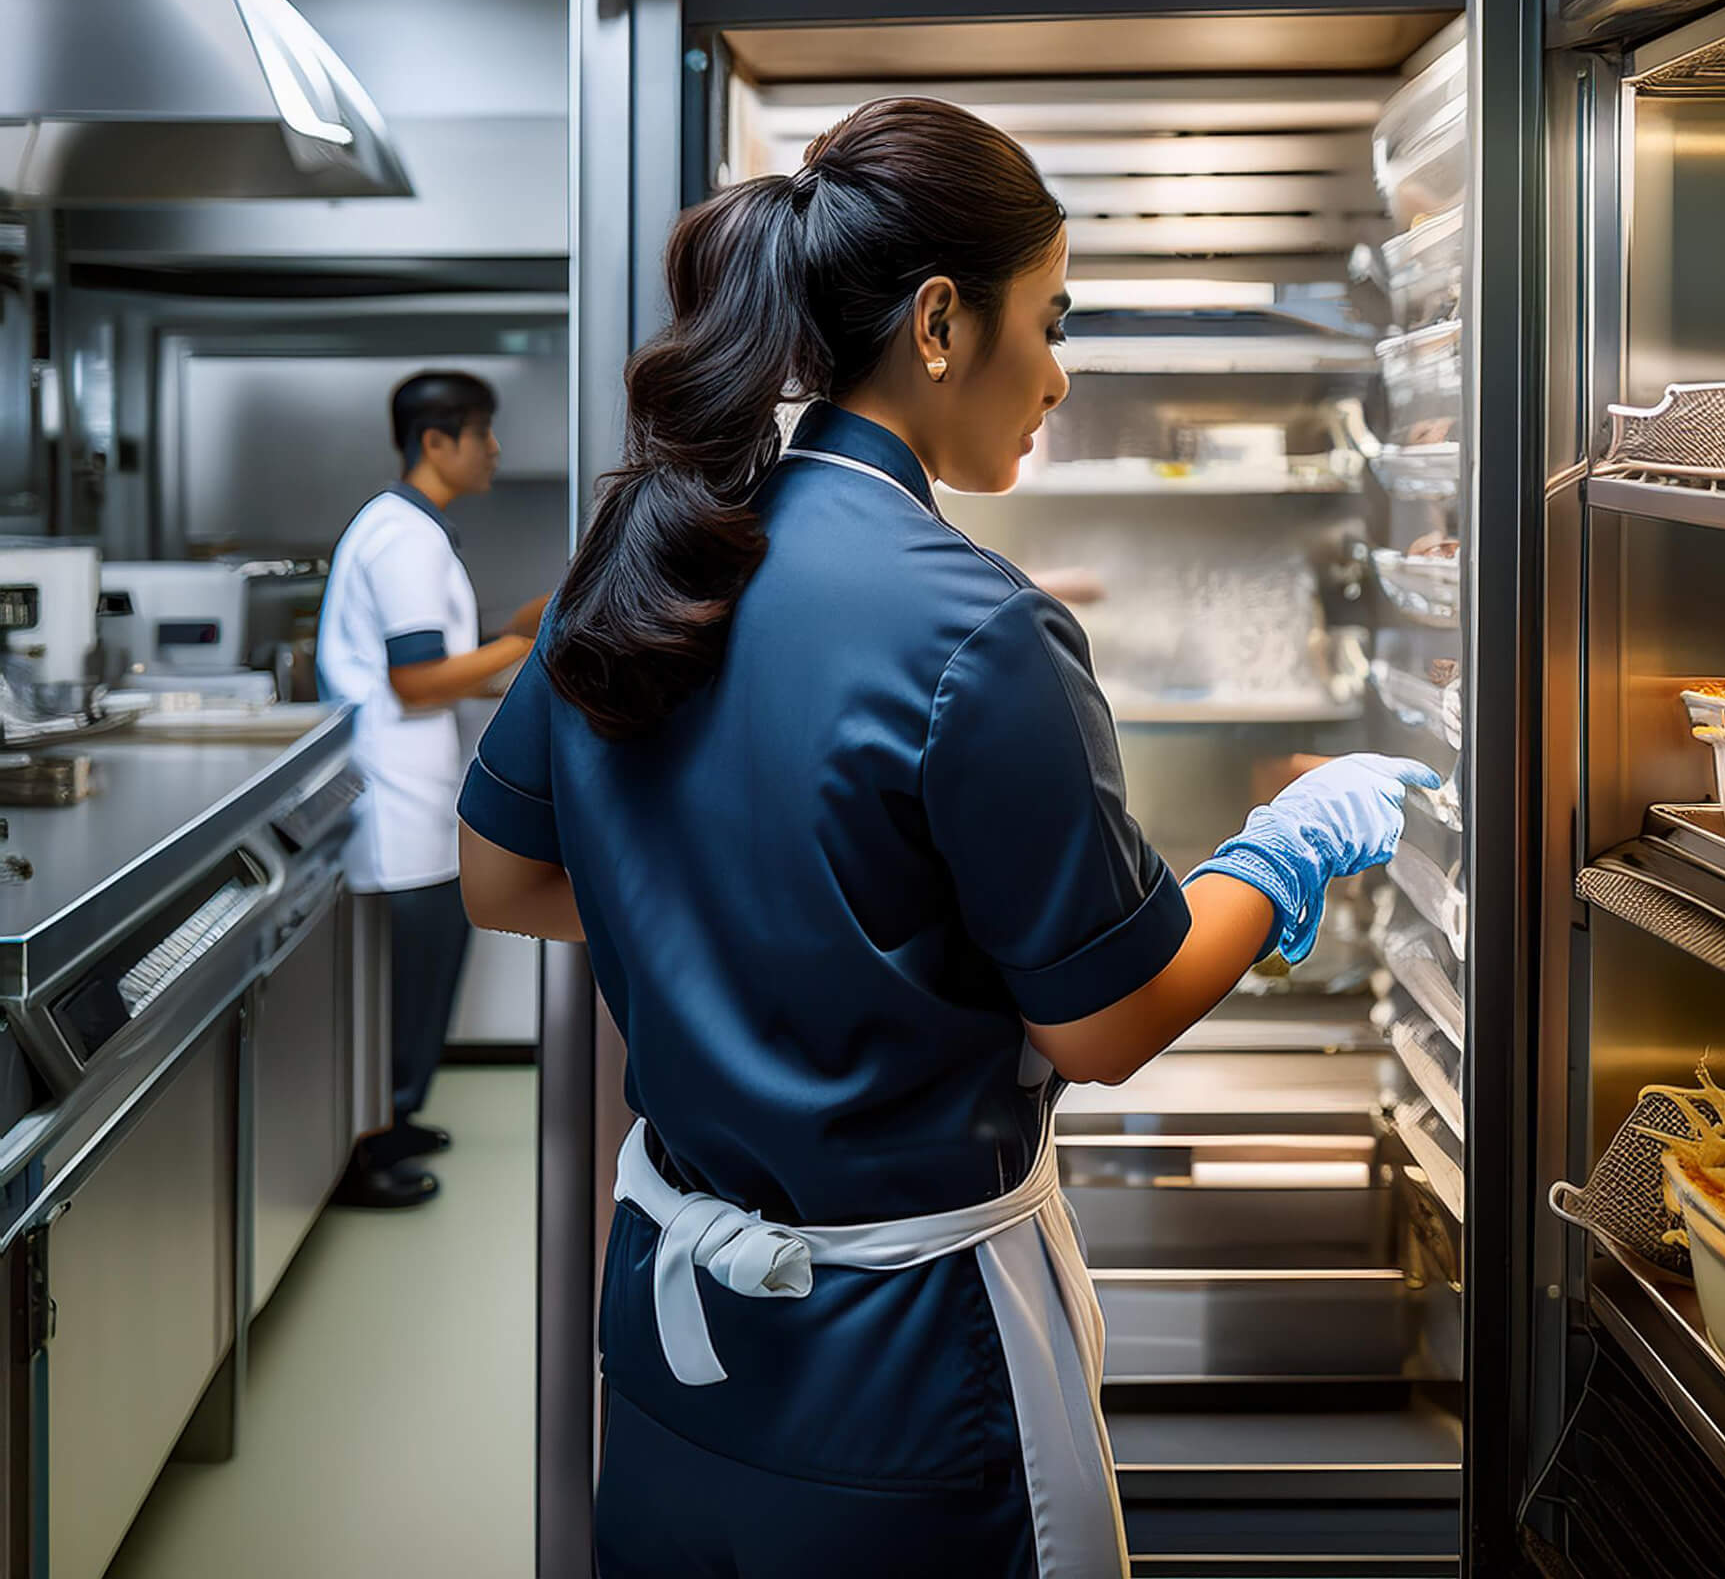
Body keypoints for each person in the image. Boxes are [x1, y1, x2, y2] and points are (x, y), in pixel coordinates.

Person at [457, 99, 1437, 1576]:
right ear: (937, 325)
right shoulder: (981, 629)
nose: (1056, 374)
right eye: (1047, 322)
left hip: (676, 1329)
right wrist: (1279, 854)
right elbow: (1105, 1022)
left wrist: (748, 911)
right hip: (907, 1368)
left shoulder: (647, 556)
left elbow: (506, 877)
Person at [318, 370, 547, 1210]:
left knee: (423, 971)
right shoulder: (404, 539)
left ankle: (394, 1116)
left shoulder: (409, 529)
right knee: (408, 978)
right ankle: (370, 1150)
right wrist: (533, 636)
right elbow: (417, 681)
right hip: (396, 795)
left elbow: (442, 670)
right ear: (437, 441)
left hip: (414, 789)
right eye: (483, 433)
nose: (494, 450)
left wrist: (507, 645)